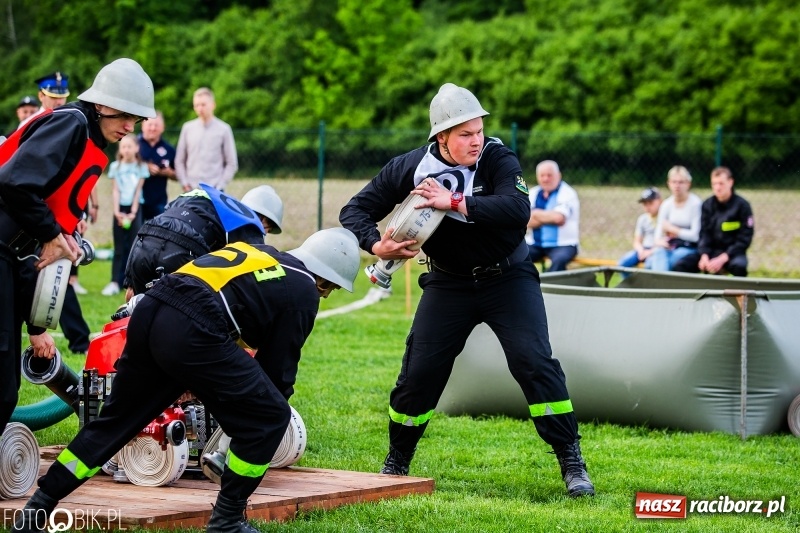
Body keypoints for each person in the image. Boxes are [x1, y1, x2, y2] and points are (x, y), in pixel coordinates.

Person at [12, 228, 361, 533]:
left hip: (153, 309)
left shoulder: (263, 256)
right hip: (191, 327)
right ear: (324, 279)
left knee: (115, 423)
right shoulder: (302, 289)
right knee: (270, 417)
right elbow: (276, 373)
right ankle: (226, 520)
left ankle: (38, 508)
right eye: (327, 290)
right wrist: (254, 418)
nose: (324, 296)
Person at [339, 83, 594, 498]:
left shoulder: (497, 156)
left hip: (509, 279)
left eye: (478, 130)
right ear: (441, 137)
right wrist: (376, 244)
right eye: (465, 134)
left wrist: (453, 201)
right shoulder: (409, 167)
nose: (476, 140)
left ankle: (571, 461)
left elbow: (517, 209)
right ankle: (397, 462)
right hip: (448, 284)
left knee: (534, 363)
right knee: (419, 374)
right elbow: (353, 209)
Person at [0, 58, 156, 439]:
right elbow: (14, 184)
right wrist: (54, 234)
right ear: (102, 105)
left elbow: (35, 252)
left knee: (5, 388)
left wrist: (36, 328)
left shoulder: (91, 140)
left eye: (135, 121)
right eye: (126, 116)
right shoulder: (71, 124)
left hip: (12, 256)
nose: (129, 127)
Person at [123, 184, 282, 299]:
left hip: (143, 241)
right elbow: (255, 277)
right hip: (181, 249)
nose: (264, 233)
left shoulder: (211, 198)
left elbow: (163, 224)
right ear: (263, 218)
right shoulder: (249, 221)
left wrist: (130, 280)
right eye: (267, 229)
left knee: (136, 309)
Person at [673, 166, 754, 276]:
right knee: (681, 265)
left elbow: (745, 238)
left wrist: (723, 258)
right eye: (714, 184)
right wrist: (704, 255)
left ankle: (739, 293)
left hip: (732, 253)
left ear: (730, 182)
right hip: (710, 252)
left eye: (721, 183)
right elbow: (704, 233)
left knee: (739, 267)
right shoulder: (707, 205)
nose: (717, 188)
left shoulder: (742, 206)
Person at [102, 134, 149, 296]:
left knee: (134, 247)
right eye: (123, 146)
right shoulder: (115, 167)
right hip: (119, 208)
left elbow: (138, 191)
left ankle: (132, 284)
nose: (126, 150)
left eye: (130, 146)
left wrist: (133, 213)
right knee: (119, 248)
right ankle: (114, 281)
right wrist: (117, 212)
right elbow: (115, 190)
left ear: (136, 148)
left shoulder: (141, 167)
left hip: (135, 208)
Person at [175, 87, 238, 192]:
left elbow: (232, 163)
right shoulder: (187, 128)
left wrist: (220, 186)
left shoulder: (224, 129)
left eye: (203, 104)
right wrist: (185, 183)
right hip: (191, 190)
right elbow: (179, 160)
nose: (200, 108)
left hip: (215, 190)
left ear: (213, 105)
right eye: (196, 105)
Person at [525, 160, 580, 272]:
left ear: (558, 175)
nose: (546, 179)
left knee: (559, 260)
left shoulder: (567, 193)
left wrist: (534, 214)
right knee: (515, 257)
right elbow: (524, 221)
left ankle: (547, 287)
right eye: (542, 175)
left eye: (549, 175)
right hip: (535, 243)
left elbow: (558, 218)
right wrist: (548, 217)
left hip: (563, 244)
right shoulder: (532, 193)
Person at [649, 165, 702, 271]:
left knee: (661, 262)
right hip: (668, 247)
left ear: (688, 184)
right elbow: (657, 235)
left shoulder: (695, 204)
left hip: (689, 248)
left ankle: (659, 286)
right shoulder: (666, 205)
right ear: (668, 183)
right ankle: (663, 286)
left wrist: (673, 229)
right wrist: (660, 242)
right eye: (674, 182)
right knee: (658, 255)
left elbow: (695, 236)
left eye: (681, 182)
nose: (677, 186)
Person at [138, 111, 177, 221]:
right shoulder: (134, 145)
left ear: (163, 127)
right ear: (143, 125)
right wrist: (145, 167)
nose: (153, 128)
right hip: (135, 201)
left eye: (156, 125)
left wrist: (170, 173)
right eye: (150, 124)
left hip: (159, 201)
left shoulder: (169, 149)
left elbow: (178, 175)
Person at [617, 187, 662, 270]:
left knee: (649, 264)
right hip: (643, 249)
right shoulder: (642, 219)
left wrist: (650, 252)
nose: (647, 207)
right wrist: (641, 251)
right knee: (622, 263)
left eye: (650, 203)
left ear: (659, 201)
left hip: (658, 250)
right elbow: (637, 241)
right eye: (645, 204)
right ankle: (631, 283)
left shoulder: (664, 218)